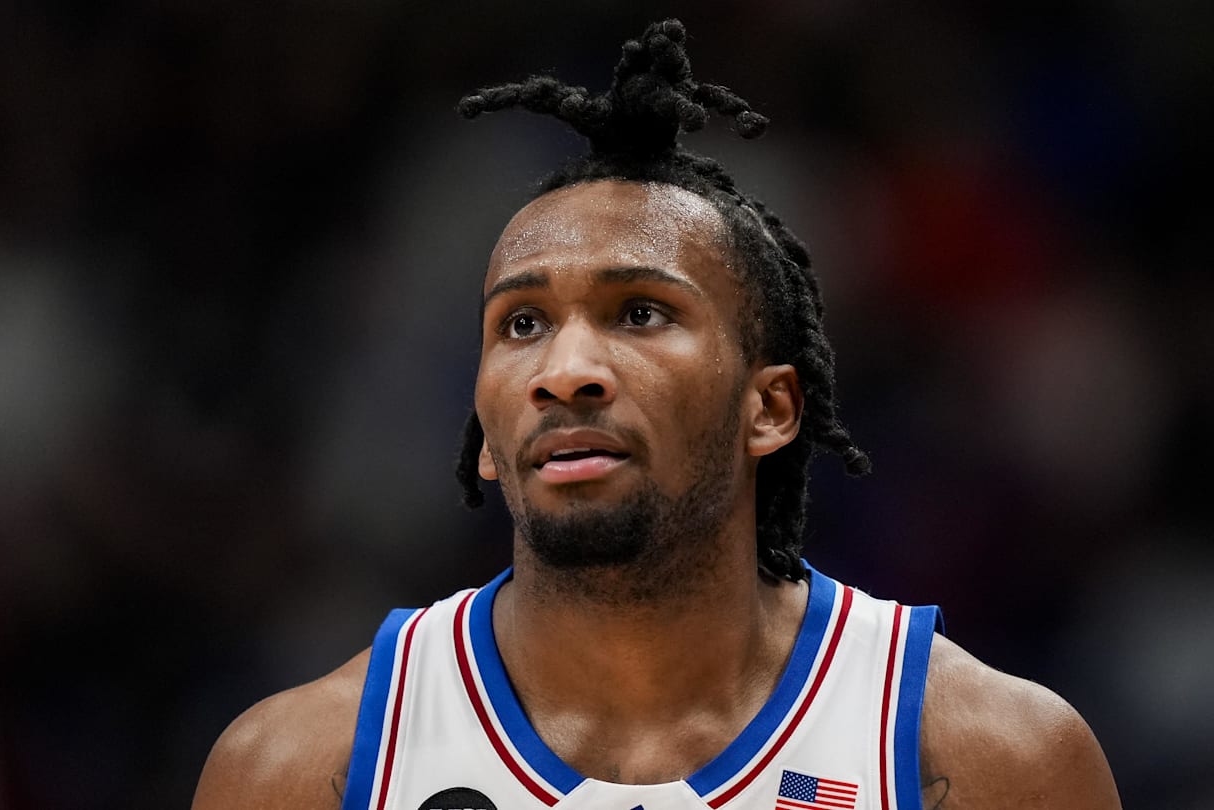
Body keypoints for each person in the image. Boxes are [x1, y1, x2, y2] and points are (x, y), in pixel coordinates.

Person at [192, 19, 1121, 810]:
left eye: (640, 312)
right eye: (521, 324)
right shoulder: (299, 769)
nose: (565, 372)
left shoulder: (989, 758)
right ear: (483, 437)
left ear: (771, 408)